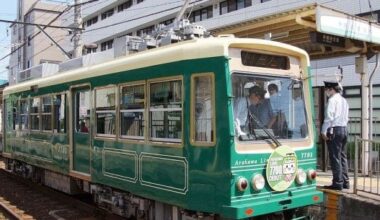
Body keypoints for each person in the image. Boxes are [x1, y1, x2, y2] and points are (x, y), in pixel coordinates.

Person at [321, 81, 349, 190]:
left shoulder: (332, 100)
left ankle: (337, 183)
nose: (326, 92)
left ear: (331, 89)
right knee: (342, 156)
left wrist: (323, 131)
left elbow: (329, 117)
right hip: (344, 129)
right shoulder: (344, 100)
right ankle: (345, 182)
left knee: (335, 157)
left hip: (334, 130)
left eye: (327, 90)